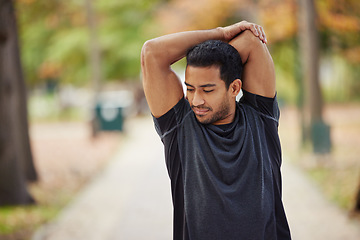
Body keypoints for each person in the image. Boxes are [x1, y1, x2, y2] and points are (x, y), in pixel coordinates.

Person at [141, 21, 291, 240]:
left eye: (208, 89)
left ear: (234, 88)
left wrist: (221, 58)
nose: (196, 100)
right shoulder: (178, 127)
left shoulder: (260, 118)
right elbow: (151, 52)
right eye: (190, 88)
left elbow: (251, 42)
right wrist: (220, 34)